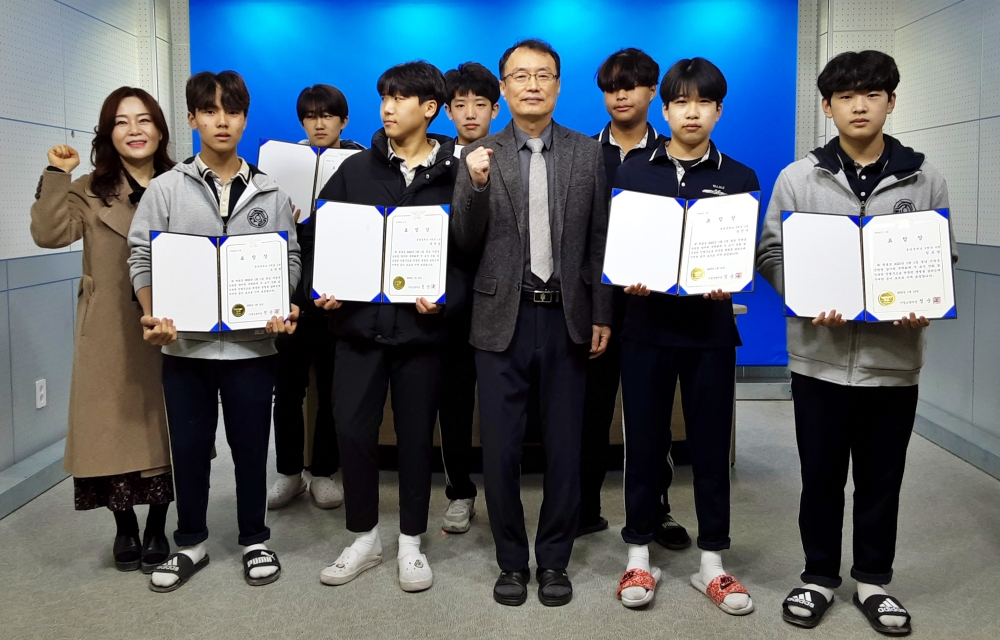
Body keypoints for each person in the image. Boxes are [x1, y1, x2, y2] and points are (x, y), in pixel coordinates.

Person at [757, 50, 954, 635]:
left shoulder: (924, 177)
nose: (859, 105)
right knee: (819, 477)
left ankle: (873, 580)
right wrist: (803, 293)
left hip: (893, 361)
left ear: (891, 101)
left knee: (881, 479)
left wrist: (925, 301)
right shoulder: (799, 177)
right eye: (846, 96)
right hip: (818, 358)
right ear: (827, 106)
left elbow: (939, 256)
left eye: (872, 94)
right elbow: (771, 251)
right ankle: (819, 576)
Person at [452, 39, 612, 607]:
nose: (533, 85)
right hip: (503, 317)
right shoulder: (480, 153)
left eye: (543, 75)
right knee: (500, 451)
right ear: (504, 88)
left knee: (565, 448)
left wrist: (601, 311)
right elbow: (463, 240)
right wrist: (474, 186)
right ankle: (511, 561)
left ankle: (554, 560)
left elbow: (599, 239)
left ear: (559, 85)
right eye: (520, 76)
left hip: (567, 317)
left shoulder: (586, 153)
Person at [127, 70, 300, 592]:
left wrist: (282, 303)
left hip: (253, 348)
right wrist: (154, 314)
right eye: (209, 110)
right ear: (192, 118)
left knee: (252, 448)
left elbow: (289, 257)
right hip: (185, 348)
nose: (221, 121)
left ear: (245, 119)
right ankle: (191, 543)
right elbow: (141, 256)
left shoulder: (270, 192)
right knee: (189, 449)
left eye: (232, 111)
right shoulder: (165, 189)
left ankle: (255, 539)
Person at [307, 61, 461, 593]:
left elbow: (470, 254)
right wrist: (322, 288)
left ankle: (411, 541)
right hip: (357, 330)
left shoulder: (455, 174)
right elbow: (320, 239)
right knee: (352, 431)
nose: (387, 108)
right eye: (384, 98)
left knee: (416, 438)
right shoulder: (355, 170)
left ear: (429, 108)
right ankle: (364, 537)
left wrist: (446, 298)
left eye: (399, 98)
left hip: (422, 334)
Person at [613, 58, 758, 614]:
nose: (691, 112)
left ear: (718, 111)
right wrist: (629, 276)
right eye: (680, 102)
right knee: (643, 445)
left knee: (710, 449)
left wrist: (730, 279)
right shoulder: (634, 172)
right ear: (665, 108)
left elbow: (743, 254)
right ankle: (638, 555)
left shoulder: (739, 177)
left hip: (709, 333)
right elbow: (618, 247)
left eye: (703, 102)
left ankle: (712, 564)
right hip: (645, 329)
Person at [29, 86, 175, 575]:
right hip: (109, 328)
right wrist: (56, 174)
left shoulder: (180, 183)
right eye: (121, 121)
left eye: (144, 119)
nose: (134, 130)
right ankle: (124, 526)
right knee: (110, 428)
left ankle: (158, 525)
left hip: (170, 324)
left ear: (160, 129)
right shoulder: (87, 188)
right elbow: (49, 234)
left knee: (165, 425)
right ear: (108, 134)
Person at [578, 47, 690, 550]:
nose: (620, 95)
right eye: (611, 87)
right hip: (593, 307)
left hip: (656, 306)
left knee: (652, 419)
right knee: (590, 413)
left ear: (652, 93)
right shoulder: (583, 153)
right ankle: (584, 508)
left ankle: (656, 512)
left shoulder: (674, 153)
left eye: (630, 86)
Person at [267, 84, 365, 511]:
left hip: (338, 294)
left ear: (344, 121)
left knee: (332, 389)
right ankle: (289, 472)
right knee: (287, 389)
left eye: (327, 115)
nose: (319, 123)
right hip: (290, 294)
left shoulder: (361, 164)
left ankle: (324, 471)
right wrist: (280, 221)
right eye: (310, 116)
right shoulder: (280, 167)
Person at [435, 61, 500, 533]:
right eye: (461, 105)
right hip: (450, 302)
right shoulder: (436, 162)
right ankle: (460, 492)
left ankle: (504, 493)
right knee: (454, 401)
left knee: (502, 404)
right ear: (447, 111)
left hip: (502, 297)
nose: (470, 113)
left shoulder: (512, 156)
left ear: (496, 109)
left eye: (480, 104)